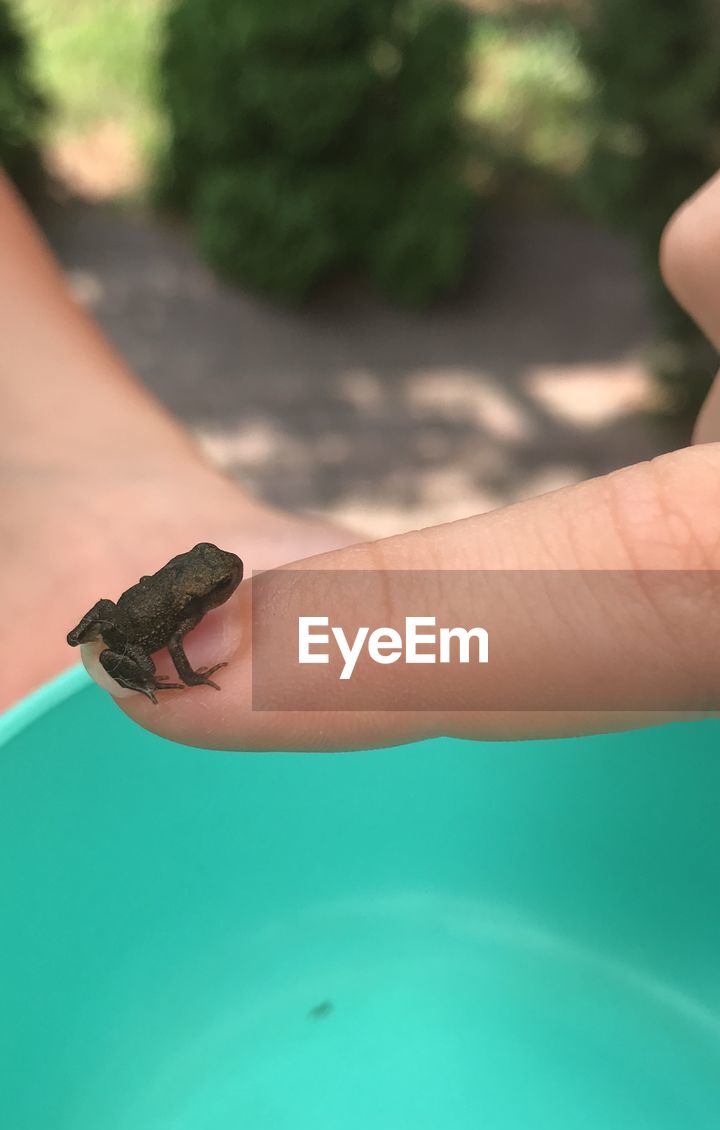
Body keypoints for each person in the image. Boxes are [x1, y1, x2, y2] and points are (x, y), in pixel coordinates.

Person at [1, 167, 719, 750]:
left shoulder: (188, 594)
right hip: (132, 623)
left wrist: (90, 483)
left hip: (116, 590)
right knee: (141, 665)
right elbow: (180, 653)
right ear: (199, 596)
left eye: (216, 573)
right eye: (218, 582)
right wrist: (172, 677)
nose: (226, 584)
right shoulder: (181, 621)